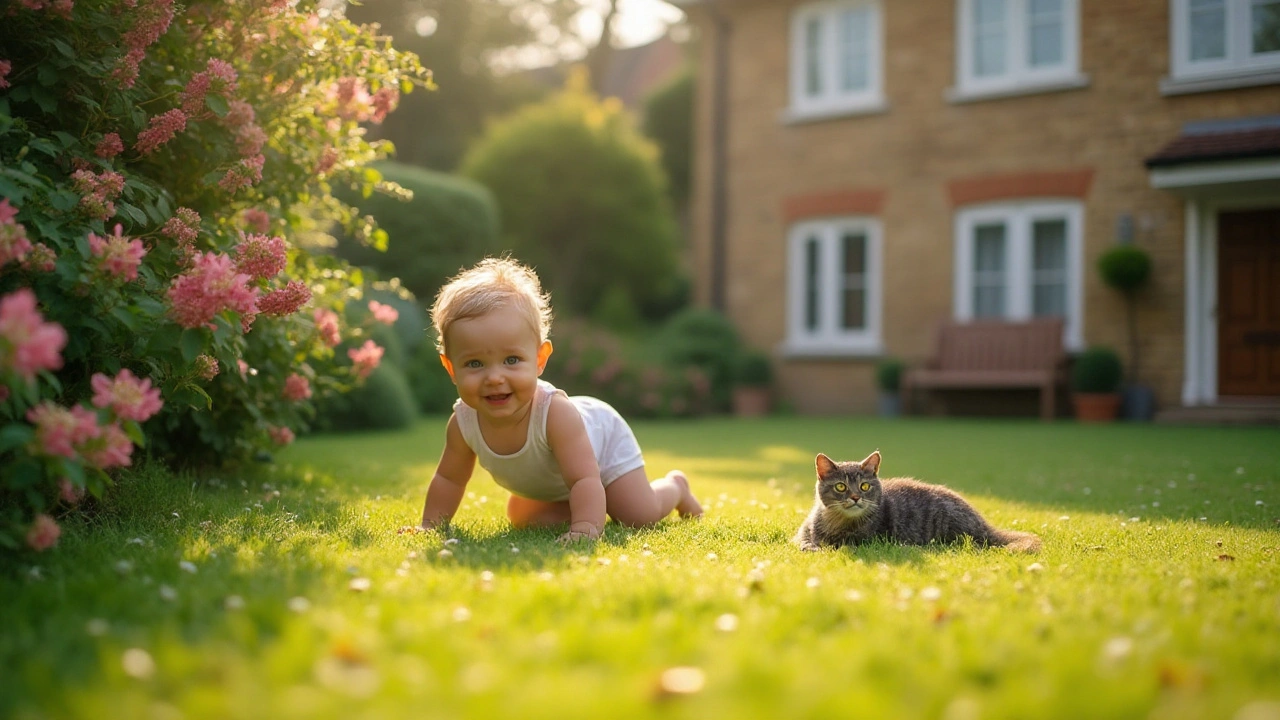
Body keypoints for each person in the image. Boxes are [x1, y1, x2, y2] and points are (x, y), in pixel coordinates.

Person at [416, 257, 703, 543]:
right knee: (525, 519)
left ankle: (676, 487)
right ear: (451, 367)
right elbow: (449, 479)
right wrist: (430, 526)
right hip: (557, 483)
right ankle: (580, 504)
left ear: (540, 359)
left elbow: (584, 478)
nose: (494, 377)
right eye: (475, 364)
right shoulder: (463, 422)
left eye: (511, 360)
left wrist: (585, 528)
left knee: (637, 515)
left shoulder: (555, 414)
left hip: (602, 446)